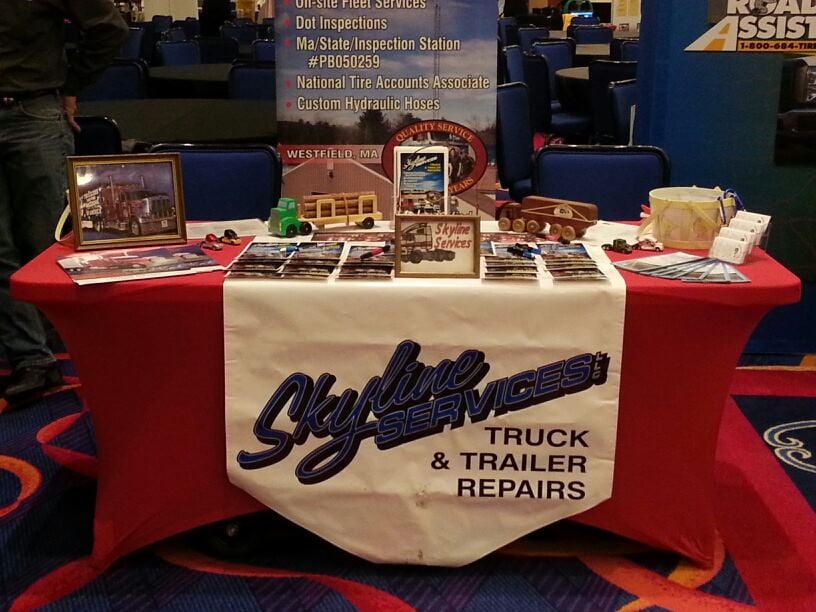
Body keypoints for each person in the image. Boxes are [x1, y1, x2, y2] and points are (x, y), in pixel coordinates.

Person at [0, 2, 128, 407]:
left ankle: (68, 351)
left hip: (33, 112)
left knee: (45, 244)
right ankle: (32, 359)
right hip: (33, 113)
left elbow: (109, 28)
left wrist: (72, 83)